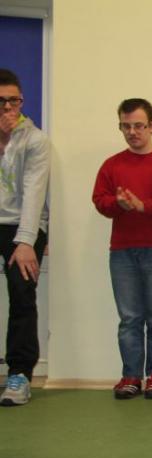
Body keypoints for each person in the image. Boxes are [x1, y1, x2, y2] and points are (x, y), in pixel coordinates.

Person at [92, 99, 152, 400]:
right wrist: (118, 204)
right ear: (120, 126)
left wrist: (143, 206)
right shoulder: (111, 165)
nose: (132, 132)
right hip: (122, 251)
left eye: (138, 126)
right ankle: (131, 376)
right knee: (129, 318)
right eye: (126, 126)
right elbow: (100, 200)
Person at [0, 68, 50, 407]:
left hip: (24, 223)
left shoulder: (36, 140)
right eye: (1, 102)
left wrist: (26, 242)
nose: (8, 108)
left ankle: (19, 374)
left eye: (13, 101)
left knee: (21, 289)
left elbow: (34, 193)